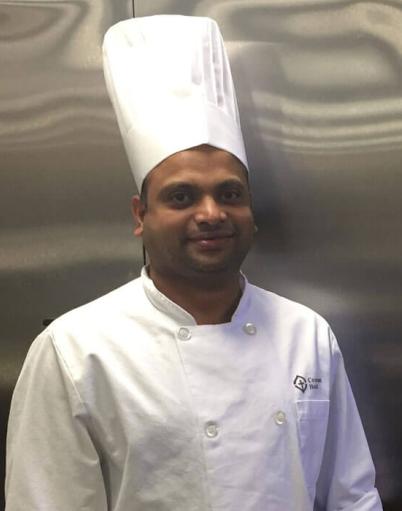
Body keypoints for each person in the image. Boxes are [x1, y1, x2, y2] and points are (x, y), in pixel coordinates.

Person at [5, 15, 382, 511]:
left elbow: (351, 497)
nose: (211, 213)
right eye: (181, 196)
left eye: (230, 193)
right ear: (141, 215)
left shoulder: (306, 333)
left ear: (250, 210)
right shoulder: (75, 352)